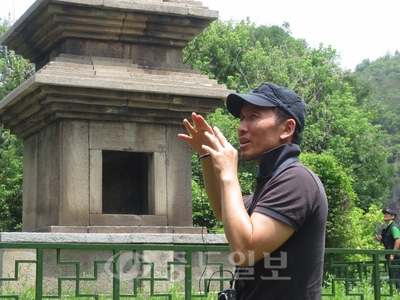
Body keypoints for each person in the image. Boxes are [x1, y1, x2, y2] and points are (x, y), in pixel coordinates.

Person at [178, 82, 328, 299]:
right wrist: (207, 156)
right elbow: (224, 210)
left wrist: (230, 174)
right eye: (241, 118)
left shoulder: (297, 179)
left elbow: (244, 251)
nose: (241, 127)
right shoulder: (272, 181)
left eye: (254, 116)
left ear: (287, 128)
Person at [376, 208, 400, 290]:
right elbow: (389, 242)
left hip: (396, 257)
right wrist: (381, 240)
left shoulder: (393, 227)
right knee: (393, 276)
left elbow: (398, 241)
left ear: (393, 217)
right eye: (385, 214)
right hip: (391, 257)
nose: (385, 215)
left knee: (397, 276)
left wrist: (393, 254)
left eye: (388, 214)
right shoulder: (386, 229)